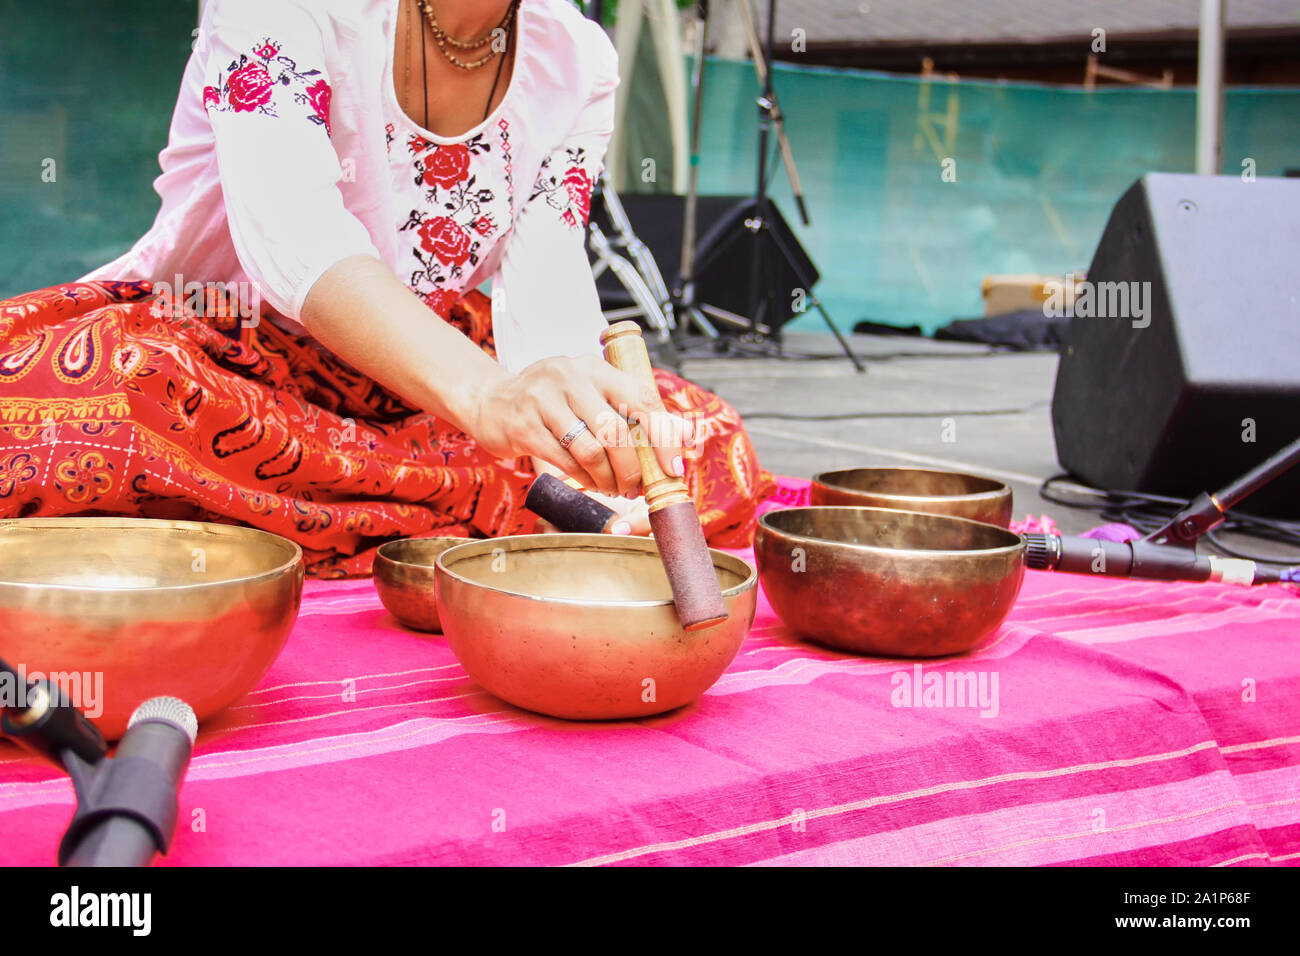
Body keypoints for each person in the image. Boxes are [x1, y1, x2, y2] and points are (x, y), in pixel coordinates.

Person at [0, 0, 773, 575]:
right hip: (220, 350)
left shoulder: (579, 58)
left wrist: (583, 438)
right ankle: (441, 507)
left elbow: (544, 297)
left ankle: (359, 510)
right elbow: (296, 242)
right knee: (85, 401)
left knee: (700, 437)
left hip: (416, 389)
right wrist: (490, 403)